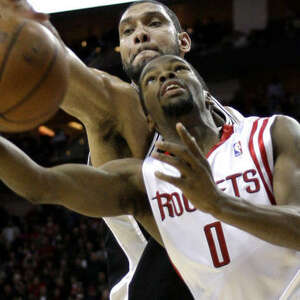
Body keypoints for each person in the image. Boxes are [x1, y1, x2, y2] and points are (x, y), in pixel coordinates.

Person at [0, 54, 299, 298]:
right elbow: (38, 184)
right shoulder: (142, 182)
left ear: (208, 96)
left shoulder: (273, 133)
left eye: (178, 68)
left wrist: (219, 204)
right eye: (151, 79)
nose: (166, 76)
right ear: (148, 118)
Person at [0, 1, 242, 299]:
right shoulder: (122, 108)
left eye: (153, 23)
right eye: (127, 32)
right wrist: (21, 15)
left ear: (184, 41)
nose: (139, 35)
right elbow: (59, 60)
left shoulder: (242, 124)